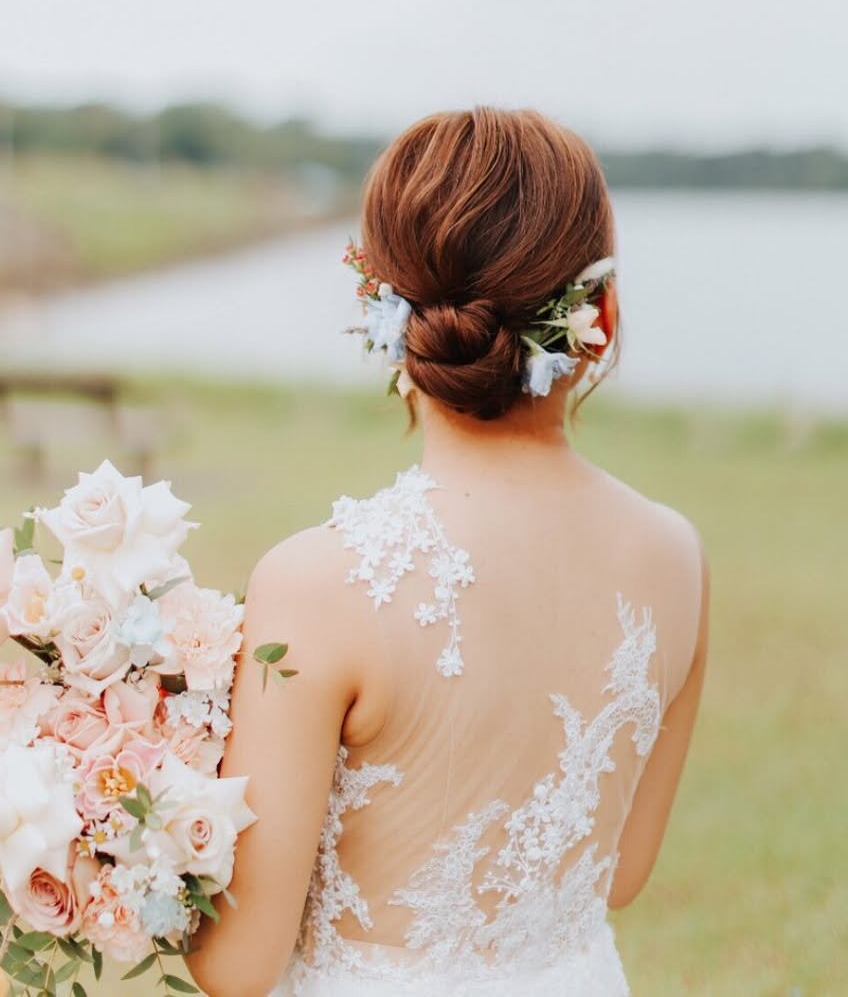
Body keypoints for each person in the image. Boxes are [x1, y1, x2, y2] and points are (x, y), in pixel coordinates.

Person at [189, 107, 709, 996]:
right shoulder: (675, 555)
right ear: (603, 314)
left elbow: (238, 967)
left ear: (381, 314)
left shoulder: (318, 585)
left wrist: (117, 848)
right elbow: (617, 876)